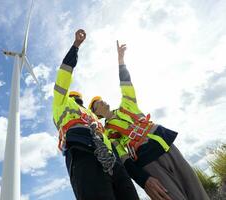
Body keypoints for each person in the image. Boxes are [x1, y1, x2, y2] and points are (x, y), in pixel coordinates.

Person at [89, 40, 210, 200]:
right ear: (97, 114)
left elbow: (126, 85)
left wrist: (121, 61)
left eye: (101, 99)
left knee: (197, 193)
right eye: (97, 103)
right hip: (148, 162)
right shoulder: (108, 133)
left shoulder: (127, 105)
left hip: (167, 146)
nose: (101, 101)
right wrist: (144, 180)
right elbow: (124, 159)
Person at [52, 30, 139, 200]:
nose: (79, 102)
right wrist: (75, 46)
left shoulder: (91, 114)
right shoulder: (61, 101)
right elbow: (64, 75)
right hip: (82, 150)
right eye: (78, 99)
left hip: (112, 158)